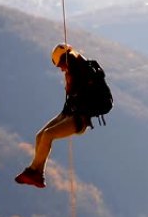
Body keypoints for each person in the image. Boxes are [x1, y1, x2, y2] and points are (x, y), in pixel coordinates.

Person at [15, 43, 101, 188]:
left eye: (61, 65)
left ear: (66, 59)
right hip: (68, 114)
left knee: (48, 135)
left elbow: (82, 92)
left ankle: (32, 170)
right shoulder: (75, 71)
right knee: (40, 136)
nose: (61, 69)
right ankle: (38, 175)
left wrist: (71, 79)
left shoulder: (83, 71)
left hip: (80, 119)